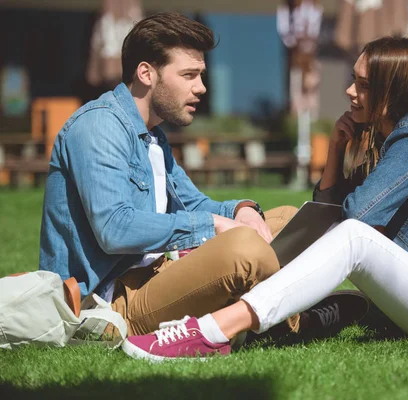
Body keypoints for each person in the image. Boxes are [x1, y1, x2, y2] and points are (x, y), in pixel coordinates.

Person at [122, 34, 408, 362]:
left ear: (392, 91)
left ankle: (213, 330)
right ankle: (261, 322)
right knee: (330, 253)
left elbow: (355, 219)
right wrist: (334, 152)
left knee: (354, 239)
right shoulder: (387, 139)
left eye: (363, 84)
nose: (349, 90)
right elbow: (327, 211)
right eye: (353, 79)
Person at [39, 12, 368, 339]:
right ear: (146, 74)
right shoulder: (100, 126)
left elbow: (192, 202)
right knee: (244, 248)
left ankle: (267, 312)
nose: (201, 88)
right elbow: (114, 229)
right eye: (189, 75)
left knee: (288, 220)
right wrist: (213, 225)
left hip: (159, 273)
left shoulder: (152, 136)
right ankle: (299, 324)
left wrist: (240, 210)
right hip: (113, 302)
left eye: (201, 75)